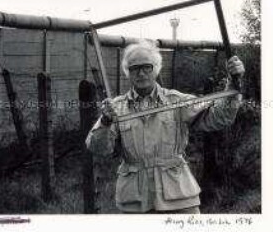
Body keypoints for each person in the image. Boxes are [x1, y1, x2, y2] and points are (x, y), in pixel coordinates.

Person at [86, 40, 245, 214]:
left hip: (179, 197)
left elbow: (219, 117)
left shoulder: (176, 101)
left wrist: (234, 82)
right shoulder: (116, 108)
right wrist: (106, 121)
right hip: (135, 201)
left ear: (156, 68)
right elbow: (98, 148)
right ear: (127, 73)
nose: (140, 73)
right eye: (134, 68)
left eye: (146, 67)